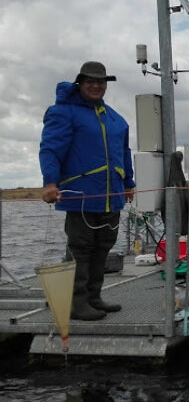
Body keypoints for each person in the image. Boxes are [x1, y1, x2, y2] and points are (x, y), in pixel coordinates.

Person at [39, 61, 135, 321]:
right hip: (81, 196)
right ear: (80, 83)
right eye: (90, 81)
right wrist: (50, 182)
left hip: (112, 195)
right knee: (80, 248)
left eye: (101, 81)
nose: (96, 86)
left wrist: (129, 183)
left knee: (103, 246)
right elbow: (50, 148)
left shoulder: (115, 118)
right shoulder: (63, 112)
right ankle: (75, 302)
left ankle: (94, 297)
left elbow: (124, 153)